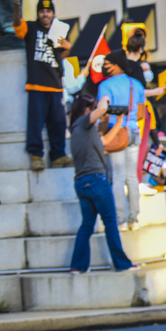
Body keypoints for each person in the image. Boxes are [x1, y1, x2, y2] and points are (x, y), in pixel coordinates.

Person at [68, 94, 138, 274]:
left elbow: (105, 142)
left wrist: (118, 122)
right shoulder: (84, 122)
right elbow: (100, 109)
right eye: (93, 108)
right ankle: (122, 264)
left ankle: (78, 266)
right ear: (86, 110)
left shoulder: (80, 130)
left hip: (82, 183)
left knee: (87, 225)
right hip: (97, 180)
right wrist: (104, 98)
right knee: (110, 222)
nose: (102, 114)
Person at [12, 0, 72, 171]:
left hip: (55, 85)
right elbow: (16, 25)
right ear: (38, 13)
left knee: (59, 123)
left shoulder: (57, 31)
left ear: (53, 13)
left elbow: (64, 52)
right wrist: (16, 6)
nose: (45, 14)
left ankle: (58, 155)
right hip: (37, 84)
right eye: (42, 11)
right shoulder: (30, 28)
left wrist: (65, 47)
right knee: (36, 122)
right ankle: (36, 155)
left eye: (48, 11)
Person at [97, 49, 145, 230]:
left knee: (117, 177)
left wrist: (101, 136)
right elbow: (140, 113)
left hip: (115, 133)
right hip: (133, 132)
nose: (105, 68)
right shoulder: (137, 85)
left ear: (116, 65)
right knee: (132, 177)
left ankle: (121, 220)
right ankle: (134, 218)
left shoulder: (105, 85)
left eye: (107, 64)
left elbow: (103, 114)